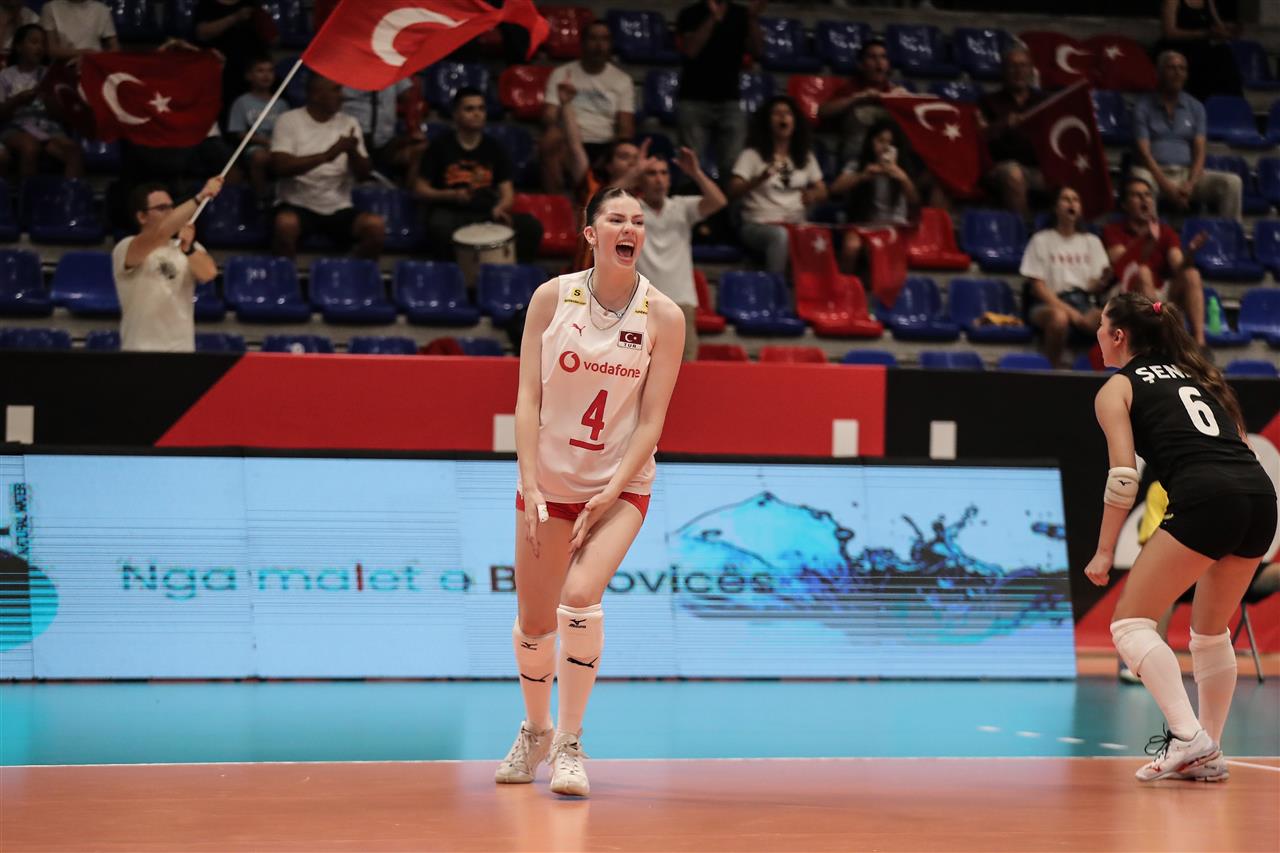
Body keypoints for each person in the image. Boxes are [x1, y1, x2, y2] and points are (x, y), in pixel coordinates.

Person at [497, 185, 684, 798]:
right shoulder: (552, 298)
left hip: (620, 484)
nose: (630, 229)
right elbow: (527, 397)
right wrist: (529, 478)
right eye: (616, 219)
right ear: (591, 233)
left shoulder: (664, 316)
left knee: (579, 598)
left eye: (638, 221)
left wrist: (612, 491)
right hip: (550, 480)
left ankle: (570, 744)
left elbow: (652, 421)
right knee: (533, 624)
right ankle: (536, 730)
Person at [1084, 292, 1276, 782]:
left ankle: (1188, 737)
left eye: (1102, 326)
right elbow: (1234, 442)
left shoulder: (1117, 388)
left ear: (1118, 336)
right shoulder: (1198, 376)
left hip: (1207, 496)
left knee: (1130, 624)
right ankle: (1208, 751)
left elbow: (1123, 478)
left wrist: (1104, 551)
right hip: (1259, 496)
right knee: (1210, 633)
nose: (1097, 335)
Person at [414, 87, 543, 263]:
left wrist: (501, 207)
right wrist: (451, 195)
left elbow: (507, 192)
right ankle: (452, 273)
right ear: (456, 114)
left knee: (530, 226)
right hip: (450, 211)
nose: (477, 114)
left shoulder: (495, 148)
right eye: (469, 109)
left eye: (481, 108)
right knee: (438, 226)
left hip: (486, 211)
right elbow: (420, 189)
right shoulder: (439, 146)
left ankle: (514, 273)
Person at [270, 74, 385, 260]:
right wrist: (327, 155)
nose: (342, 96)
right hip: (297, 203)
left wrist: (353, 151)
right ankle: (285, 273)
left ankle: (353, 272)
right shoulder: (289, 120)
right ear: (316, 94)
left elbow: (364, 174)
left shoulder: (349, 122)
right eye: (336, 90)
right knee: (285, 224)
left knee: (375, 226)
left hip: (338, 206)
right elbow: (280, 167)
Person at [636, 147, 727, 361]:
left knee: (687, 370)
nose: (659, 179)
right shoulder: (630, 208)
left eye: (663, 173)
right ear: (640, 180)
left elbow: (719, 201)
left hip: (681, 303)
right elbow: (598, 205)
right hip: (642, 304)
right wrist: (634, 171)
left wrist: (696, 172)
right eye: (651, 173)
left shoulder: (681, 206)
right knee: (639, 370)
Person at [113, 177, 223, 352]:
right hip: (140, 350)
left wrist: (188, 249)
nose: (172, 212)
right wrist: (200, 197)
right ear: (141, 216)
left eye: (172, 207)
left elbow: (209, 274)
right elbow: (161, 232)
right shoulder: (126, 247)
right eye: (162, 208)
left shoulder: (189, 246)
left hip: (181, 351)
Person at [1131, 51, 1242, 223]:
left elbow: (1200, 153)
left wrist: (1190, 184)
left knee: (1232, 182)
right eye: (1171, 68)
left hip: (1187, 173)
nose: (1177, 73)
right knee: (1142, 181)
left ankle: (1230, 235)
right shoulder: (1142, 106)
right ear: (1159, 73)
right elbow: (1143, 154)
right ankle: (1151, 236)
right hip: (1154, 172)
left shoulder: (1196, 107)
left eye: (1182, 69)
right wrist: (1167, 187)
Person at [1102, 177, 1208, 346]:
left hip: (1158, 292)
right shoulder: (1112, 231)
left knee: (1192, 274)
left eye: (1147, 195)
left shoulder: (1165, 231)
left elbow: (1178, 266)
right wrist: (1147, 242)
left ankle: (1199, 344)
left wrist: (1190, 253)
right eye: (1137, 195)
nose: (1144, 200)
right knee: (1143, 272)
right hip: (1124, 293)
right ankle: (1161, 340)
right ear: (1125, 205)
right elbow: (1125, 268)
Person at [728, 96, 827, 276]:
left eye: (787, 113)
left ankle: (811, 289)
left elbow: (823, 191)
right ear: (767, 122)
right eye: (776, 113)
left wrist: (813, 195)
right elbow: (733, 190)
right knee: (780, 235)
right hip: (758, 224)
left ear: (795, 121)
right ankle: (775, 286)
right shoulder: (752, 154)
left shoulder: (805, 156)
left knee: (819, 236)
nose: (783, 117)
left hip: (796, 222)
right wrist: (759, 179)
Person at [1019, 186, 1112, 367]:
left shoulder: (1092, 241)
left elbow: (1093, 286)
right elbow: (1038, 288)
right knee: (1059, 319)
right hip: (1048, 303)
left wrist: (1102, 281)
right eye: (1066, 199)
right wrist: (1074, 315)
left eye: (1075, 200)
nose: (1071, 203)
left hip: (1083, 302)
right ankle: (1052, 372)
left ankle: (1104, 373)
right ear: (1055, 207)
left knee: (1113, 319)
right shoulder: (1041, 240)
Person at [539, 21, 635, 194]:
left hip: (605, 144)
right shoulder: (561, 74)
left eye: (604, 39)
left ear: (611, 44)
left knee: (626, 152)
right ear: (582, 43)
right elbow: (549, 116)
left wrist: (612, 153)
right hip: (569, 141)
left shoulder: (622, 80)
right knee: (550, 139)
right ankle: (556, 202)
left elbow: (625, 129)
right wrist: (560, 109)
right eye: (593, 39)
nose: (599, 45)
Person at [674, 0, 765, 181]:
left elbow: (758, 51)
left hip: (730, 99)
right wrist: (713, 19)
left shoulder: (740, 14)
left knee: (733, 166)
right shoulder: (690, 13)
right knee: (690, 164)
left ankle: (727, 200)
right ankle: (687, 198)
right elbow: (690, 50)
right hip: (693, 97)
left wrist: (752, 18)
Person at [829, 120, 920, 276]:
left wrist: (902, 178)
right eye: (880, 141)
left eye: (890, 143)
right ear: (871, 141)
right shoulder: (859, 164)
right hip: (864, 224)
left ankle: (878, 288)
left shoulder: (904, 167)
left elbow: (915, 200)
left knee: (875, 250)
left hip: (894, 226)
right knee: (851, 247)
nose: (884, 147)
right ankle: (845, 285)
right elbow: (835, 188)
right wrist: (862, 176)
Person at [0, 24, 84, 180]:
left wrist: (49, 100)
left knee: (74, 151)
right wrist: (18, 100)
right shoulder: (5, 75)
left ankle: (68, 194)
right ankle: (28, 194)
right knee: (30, 146)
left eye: (43, 44)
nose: (39, 47)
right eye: (34, 42)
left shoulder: (49, 75)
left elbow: (60, 114)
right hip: (16, 127)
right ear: (19, 47)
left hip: (48, 127)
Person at [977, 46, 1047, 222]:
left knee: (1071, 175)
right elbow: (980, 138)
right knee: (1013, 173)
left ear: (1031, 70)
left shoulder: (1044, 101)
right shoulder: (988, 101)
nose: (1018, 71)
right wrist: (1003, 125)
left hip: (1038, 169)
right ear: (1003, 70)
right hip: (999, 168)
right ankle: (1023, 231)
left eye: (1023, 66)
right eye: (1013, 66)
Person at [817, 37, 909, 164]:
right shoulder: (851, 87)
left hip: (891, 157)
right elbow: (822, 111)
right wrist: (858, 98)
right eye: (872, 57)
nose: (879, 62)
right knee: (859, 113)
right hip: (857, 157)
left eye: (883, 57)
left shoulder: (893, 90)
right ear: (861, 64)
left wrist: (905, 101)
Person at [194, 0, 274, 122]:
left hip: (250, 72)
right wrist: (235, 17)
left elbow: (273, 38)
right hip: (219, 72)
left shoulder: (251, 4)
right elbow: (202, 33)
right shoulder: (207, 5)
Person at [340, 79, 427, 189]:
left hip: (386, 140)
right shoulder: (342, 71)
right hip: (353, 139)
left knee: (419, 148)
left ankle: (408, 196)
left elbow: (408, 95)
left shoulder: (391, 68)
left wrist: (414, 127)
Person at [227, 56, 289, 203]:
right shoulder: (241, 102)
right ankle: (262, 198)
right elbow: (239, 133)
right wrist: (266, 142)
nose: (266, 75)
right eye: (260, 71)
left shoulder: (282, 104)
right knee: (260, 157)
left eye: (270, 71)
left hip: (279, 145)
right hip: (254, 148)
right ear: (249, 76)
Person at [1154, 0, 1242, 102]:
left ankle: (1232, 102)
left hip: (1202, 47)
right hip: (1179, 47)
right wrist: (1204, 33)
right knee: (1203, 61)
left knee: (1224, 53)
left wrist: (1229, 31)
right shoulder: (1172, 1)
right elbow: (1169, 33)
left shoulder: (1209, 2)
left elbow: (1219, 28)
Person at [39, 0, 117, 59]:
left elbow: (114, 48)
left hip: (95, 65)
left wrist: (95, 58)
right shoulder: (51, 8)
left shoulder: (102, 10)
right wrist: (85, 53)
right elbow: (51, 50)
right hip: (62, 66)